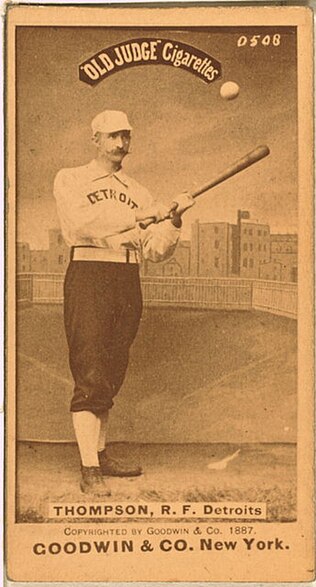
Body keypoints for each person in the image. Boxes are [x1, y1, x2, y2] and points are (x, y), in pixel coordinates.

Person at [53, 109, 194, 495]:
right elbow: (80, 225)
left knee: (113, 368)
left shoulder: (138, 190)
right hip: (89, 274)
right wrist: (141, 216)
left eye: (126, 136)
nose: (120, 144)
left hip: (126, 277)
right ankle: (88, 469)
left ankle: (100, 454)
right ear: (95, 139)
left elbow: (155, 251)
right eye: (112, 136)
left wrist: (173, 222)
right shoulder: (71, 178)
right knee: (90, 368)